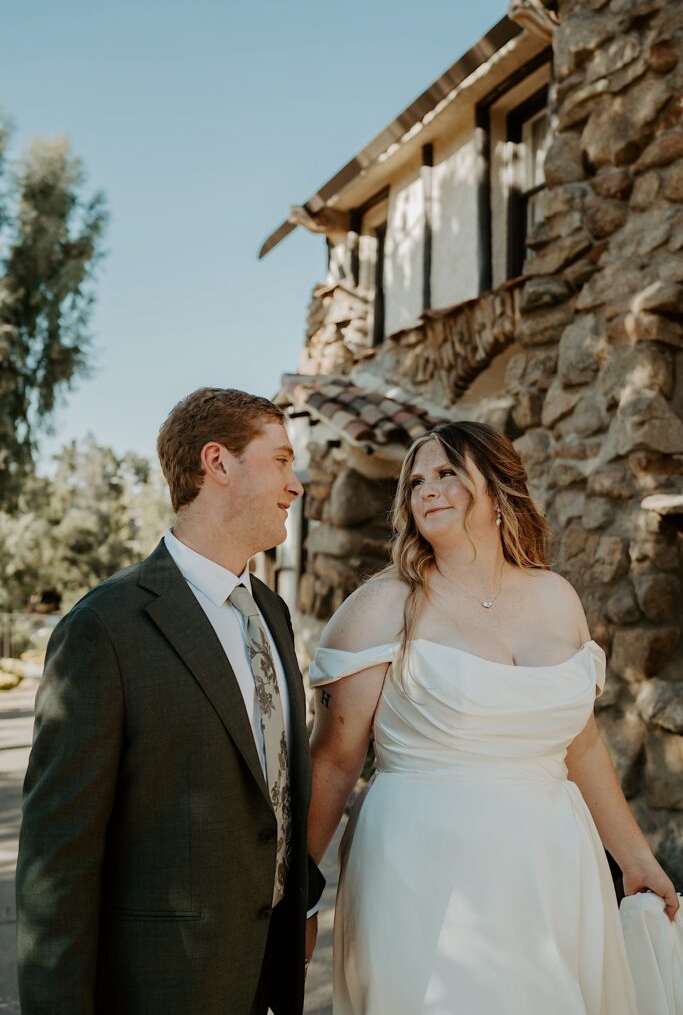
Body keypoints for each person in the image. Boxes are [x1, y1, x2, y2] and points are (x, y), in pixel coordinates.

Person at [307, 420, 679, 1015]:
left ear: (500, 489)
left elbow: (579, 746)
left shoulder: (557, 596)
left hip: (556, 866)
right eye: (416, 481)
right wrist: (298, 897)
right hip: (422, 870)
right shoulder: (381, 607)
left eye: (447, 473)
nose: (427, 489)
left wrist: (635, 858)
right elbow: (332, 759)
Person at [16, 387, 324, 1015]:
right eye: (282, 460)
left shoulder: (272, 613)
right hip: (161, 984)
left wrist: (300, 904)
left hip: (268, 977)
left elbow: (275, 788)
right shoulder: (104, 627)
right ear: (218, 463)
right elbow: (58, 859)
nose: (297, 484)